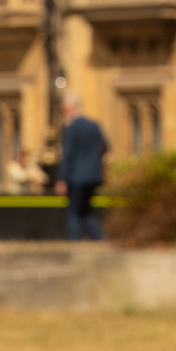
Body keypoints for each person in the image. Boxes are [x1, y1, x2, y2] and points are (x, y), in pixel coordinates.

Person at [55, 94, 109, 242]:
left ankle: (75, 242)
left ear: (68, 108)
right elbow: (105, 147)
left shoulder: (71, 128)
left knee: (73, 212)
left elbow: (68, 155)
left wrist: (62, 179)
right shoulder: (94, 126)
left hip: (76, 176)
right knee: (85, 210)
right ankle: (100, 237)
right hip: (93, 175)